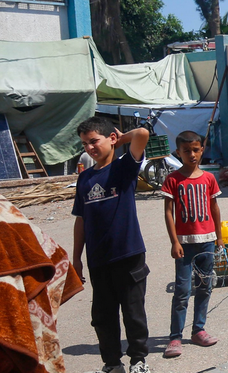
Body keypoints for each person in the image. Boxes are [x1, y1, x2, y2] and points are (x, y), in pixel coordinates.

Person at [72, 117, 153, 373]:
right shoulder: (84, 180)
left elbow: (142, 133)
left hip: (128, 255)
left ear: (111, 139)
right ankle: (112, 364)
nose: (90, 148)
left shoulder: (124, 167)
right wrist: (76, 258)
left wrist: (121, 137)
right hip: (98, 260)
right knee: (103, 318)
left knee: (133, 313)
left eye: (94, 141)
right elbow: (81, 220)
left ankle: (138, 361)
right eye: (85, 143)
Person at [161, 131, 223, 359]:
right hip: (184, 245)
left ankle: (199, 330)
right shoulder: (173, 180)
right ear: (178, 153)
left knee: (205, 287)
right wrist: (174, 241)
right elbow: (168, 213)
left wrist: (219, 236)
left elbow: (215, 208)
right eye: (186, 151)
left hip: (206, 241)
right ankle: (175, 337)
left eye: (196, 150)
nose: (192, 154)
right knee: (182, 291)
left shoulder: (208, 178)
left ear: (202, 150)